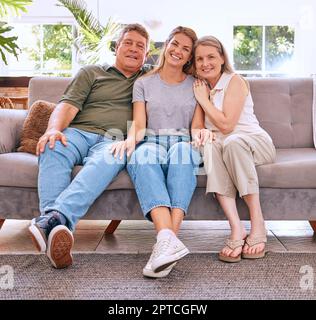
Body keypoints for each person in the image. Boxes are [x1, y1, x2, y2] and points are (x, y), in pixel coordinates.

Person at [28, 24, 150, 269]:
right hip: (78, 133)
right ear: (117, 46)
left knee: (113, 156)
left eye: (141, 46)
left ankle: (50, 222)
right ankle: (57, 225)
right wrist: (53, 129)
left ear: (147, 55)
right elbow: (67, 106)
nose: (134, 49)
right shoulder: (91, 72)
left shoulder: (148, 79)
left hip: (114, 139)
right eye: (129, 42)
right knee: (53, 145)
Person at [111, 26, 205, 278]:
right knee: (140, 156)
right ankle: (168, 242)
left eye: (186, 49)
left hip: (183, 141)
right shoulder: (143, 83)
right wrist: (129, 141)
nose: (178, 51)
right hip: (151, 140)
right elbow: (139, 124)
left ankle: (165, 243)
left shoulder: (196, 85)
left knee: (182, 157)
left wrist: (200, 136)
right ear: (167, 45)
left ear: (189, 57)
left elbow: (196, 125)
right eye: (175, 44)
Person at [192, 36, 276, 263]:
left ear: (221, 58)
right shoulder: (200, 86)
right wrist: (201, 134)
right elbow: (197, 127)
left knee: (232, 141)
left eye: (210, 56)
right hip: (224, 146)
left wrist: (204, 100)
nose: (204, 63)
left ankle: (258, 224)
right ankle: (236, 229)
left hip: (255, 143)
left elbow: (227, 125)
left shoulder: (234, 81)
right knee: (210, 147)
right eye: (199, 58)